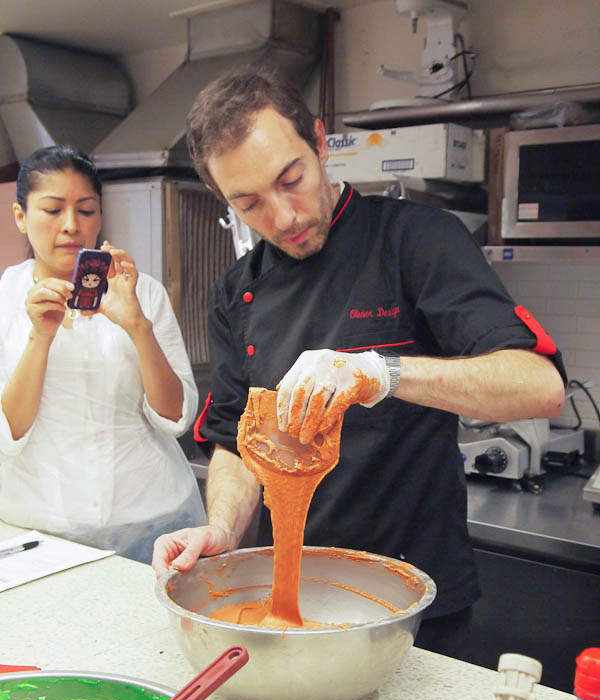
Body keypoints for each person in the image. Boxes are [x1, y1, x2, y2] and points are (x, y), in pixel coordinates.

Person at [151, 67, 566, 659]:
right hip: (285, 600)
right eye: (249, 203)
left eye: (290, 179)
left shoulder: (417, 241)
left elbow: (539, 385)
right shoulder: (236, 292)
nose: (283, 217)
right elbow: (234, 439)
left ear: (320, 143)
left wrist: (382, 372)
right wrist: (223, 528)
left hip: (415, 608)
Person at [0, 145, 206, 563]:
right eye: (52, 210)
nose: (71, 226)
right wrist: (40, 338)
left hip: (153, 518)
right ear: (21, 217)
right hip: (43, 528)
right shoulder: (6, 298)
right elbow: (9, 431)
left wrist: (137, 326)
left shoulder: (142, 291)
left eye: (86, 210)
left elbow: (175, 418)